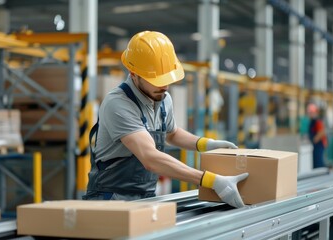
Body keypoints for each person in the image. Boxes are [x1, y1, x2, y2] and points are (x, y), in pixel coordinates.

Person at [82, 31, 248, 208]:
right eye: (156, 79)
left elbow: (172, 133)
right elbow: (150, 158)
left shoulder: (163, 98)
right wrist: (210, 180)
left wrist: (206, 144)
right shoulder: (118, 104)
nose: (165, 86)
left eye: (168, 78)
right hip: (111, 199)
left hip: (146, 196)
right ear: (133, 73)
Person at [307, 103, 328, 168]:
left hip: (318, 145)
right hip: (314, 145)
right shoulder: (311, 121)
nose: (310, 114)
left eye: (312, 112)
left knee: (318, 162)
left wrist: (314, 140)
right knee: (315, 162)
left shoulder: (317, 121)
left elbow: (321, 132)